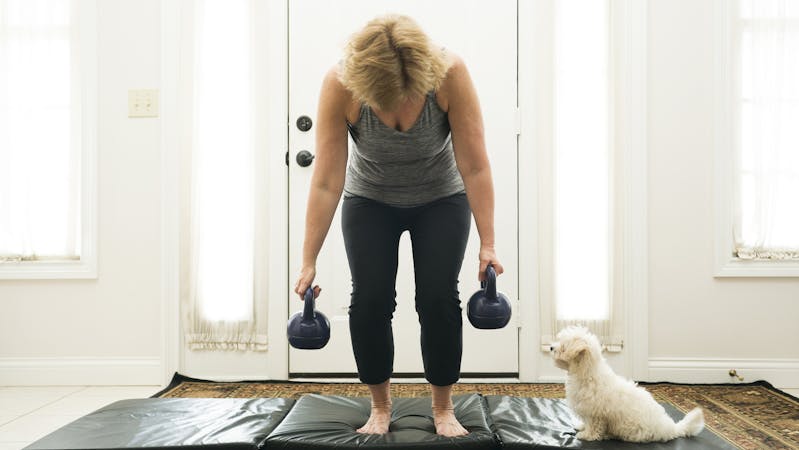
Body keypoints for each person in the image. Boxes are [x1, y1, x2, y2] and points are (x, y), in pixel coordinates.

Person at [293, 14, 504, 437]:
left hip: (441, 198)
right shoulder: (339, 84)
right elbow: (327, 180)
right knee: (370, 300)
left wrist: (488, 244)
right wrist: (308, 260)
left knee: (438, 298)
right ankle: (380, 405)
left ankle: (443, 408)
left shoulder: (450, 73)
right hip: (370, 200)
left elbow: (476, 166)